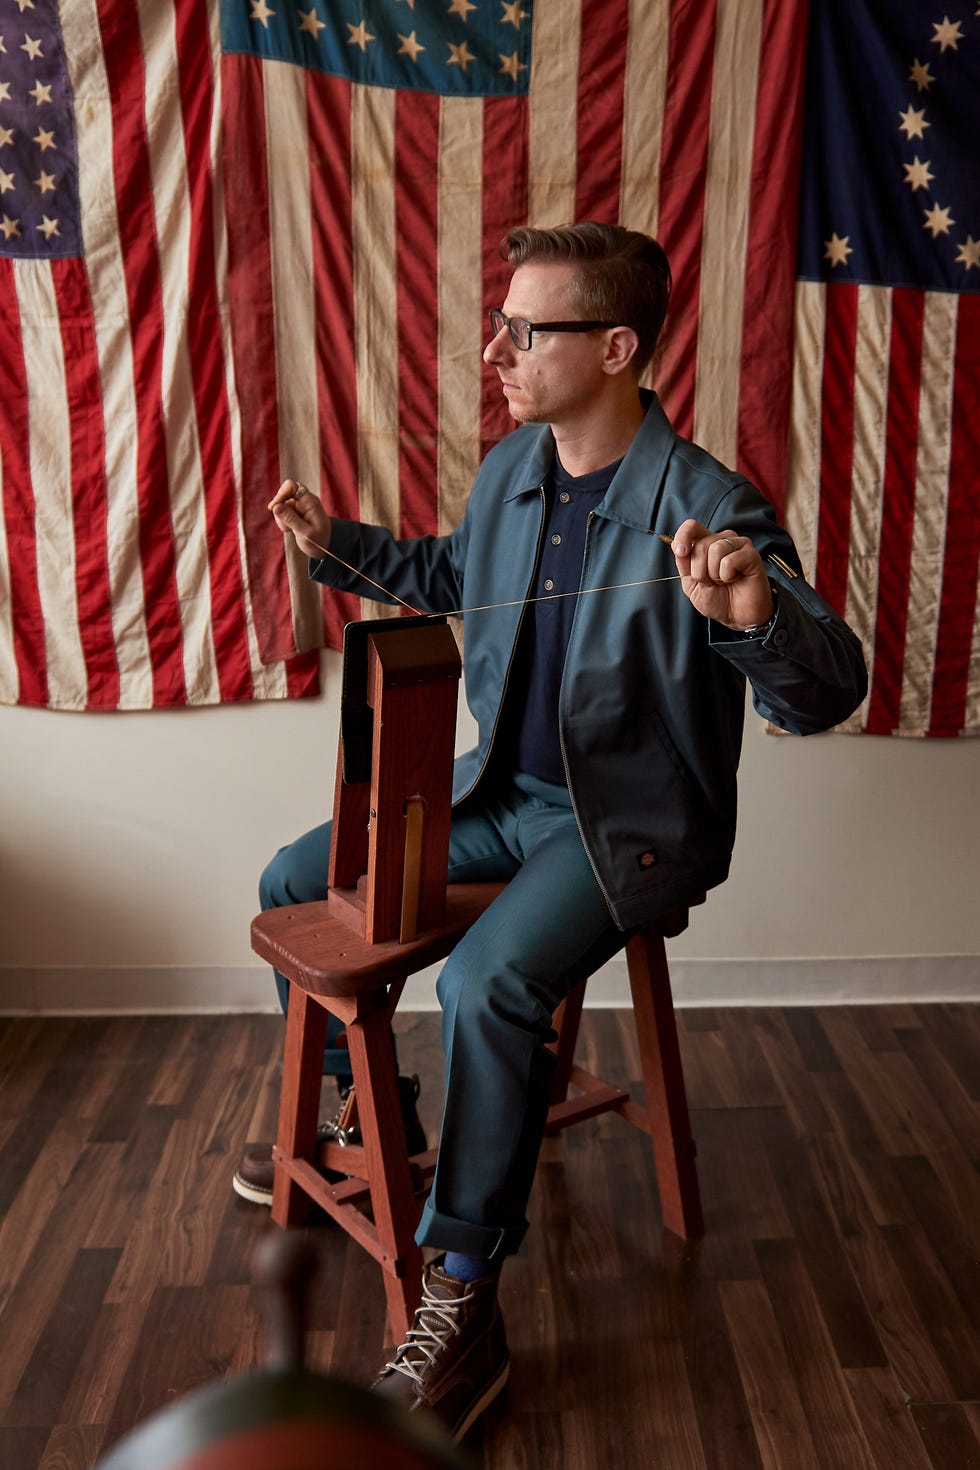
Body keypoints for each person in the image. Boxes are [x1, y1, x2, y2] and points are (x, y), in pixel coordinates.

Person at [242, 223, 867, 1442]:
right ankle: (376, 1126)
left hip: (626, 822)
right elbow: (448, 572)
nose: (496, 352)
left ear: (617, 347)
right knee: (290, 876)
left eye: (525, 331)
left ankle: (462, 1298)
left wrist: (748, 616)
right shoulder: (513, 472)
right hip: (497, 800)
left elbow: (824, 688)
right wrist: (337, 549)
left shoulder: (705, 505)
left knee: (485, 981)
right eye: (500, 326)